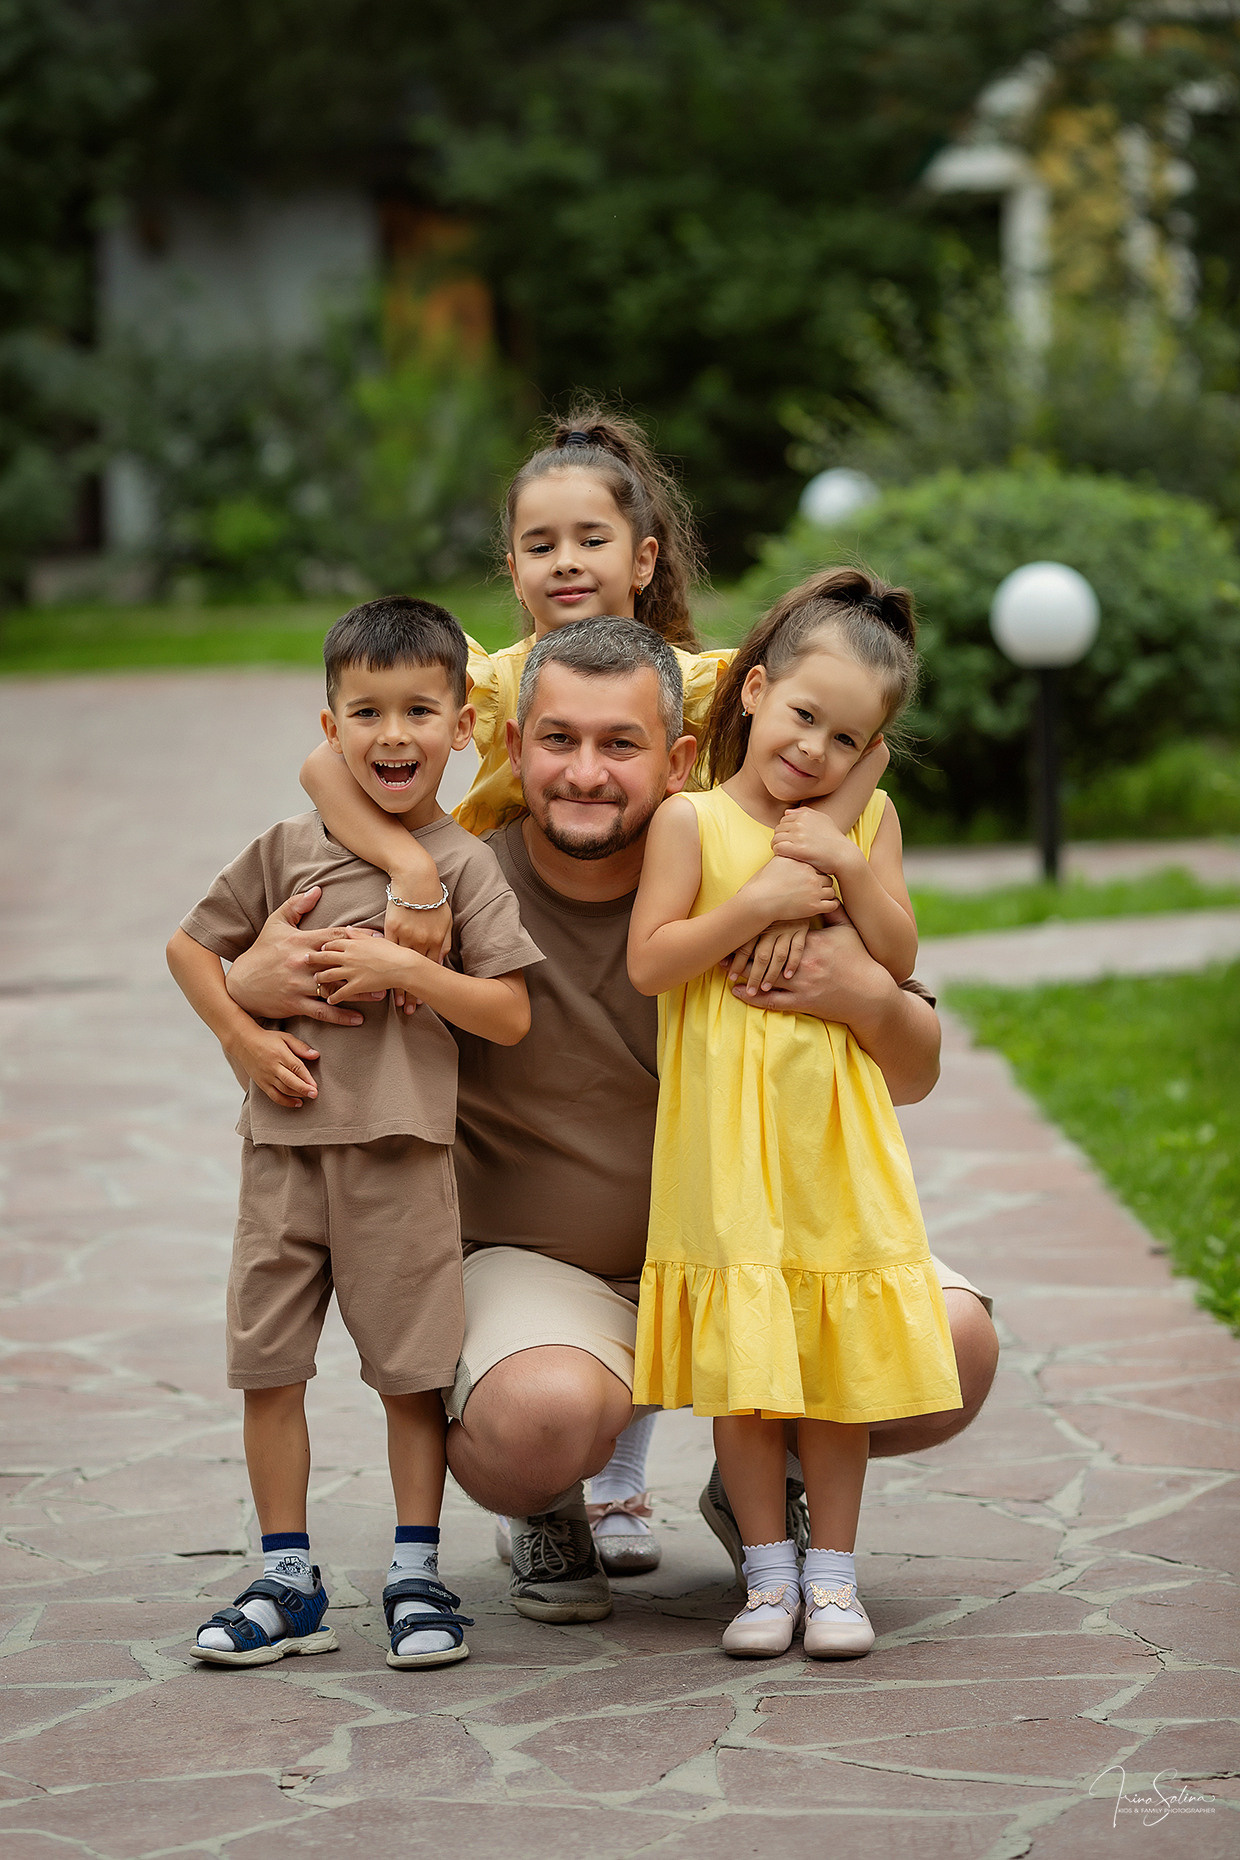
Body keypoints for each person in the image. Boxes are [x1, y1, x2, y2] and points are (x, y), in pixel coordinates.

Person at [226, 618, 998, 1628]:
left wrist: (862, 990)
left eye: (620, 745)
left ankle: (766, 1476)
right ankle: (548, 1504)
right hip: (546, 1269)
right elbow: (304, 908)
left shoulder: (749, 856)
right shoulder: (449, 884)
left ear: (676, 758)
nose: (586, 773)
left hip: (754, 1250)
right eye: (558, 740)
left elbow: (915, 1068)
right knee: (540, 1418)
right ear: (511, 747)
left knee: (956, 1346)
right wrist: (242, 989)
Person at [166, 598, 542, 1670]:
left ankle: (415, 1572)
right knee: (267, 1366)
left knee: (409, 1375)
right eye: (365, 712)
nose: (392, 735)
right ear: (327, 730)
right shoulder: (283, 850)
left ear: (463, 728)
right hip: (281, 1160)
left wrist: (408, 969)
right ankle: (288, 1580)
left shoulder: (464, 867)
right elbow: (191, 951)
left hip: (403, 1158)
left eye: (419, 710)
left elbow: (508, 1014)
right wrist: (241, 1037)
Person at [628, 570, 960, 1660]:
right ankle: (765, 1581)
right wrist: (758, 903)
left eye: (844, 736)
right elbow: (651, 962)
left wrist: (841, 864)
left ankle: (833, 1579)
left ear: (870, 753)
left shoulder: (865, 821)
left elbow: (901, 953)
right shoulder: (691, 820)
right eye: (802, 715)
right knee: (747, 1375)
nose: (813, 749)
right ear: (758, 691)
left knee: (834, 1367)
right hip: (725, 1151)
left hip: (831, 1147)